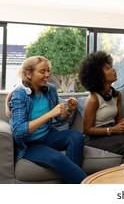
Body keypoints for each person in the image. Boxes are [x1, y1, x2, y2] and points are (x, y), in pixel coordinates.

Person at [5, 56, 87, 184]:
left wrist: (69, 110)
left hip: (48, 135)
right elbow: (18, 131)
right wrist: (49, 114)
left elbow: (59, 120)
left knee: (76, 136)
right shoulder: (20, 95)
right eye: (42, 71)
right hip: (29, 144)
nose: (47, 75)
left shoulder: (50, 90)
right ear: (29, 74)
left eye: (48, 71)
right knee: (57, 158)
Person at [78, 51, 124, 164]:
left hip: (114, 132)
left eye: (111, 67)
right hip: (96, 138)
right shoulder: (93, 99)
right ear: (99, 76)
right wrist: (111, 130)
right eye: (108, 69)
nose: (113, 70)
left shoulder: (116, 94)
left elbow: (119, 119)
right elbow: (87, 130)